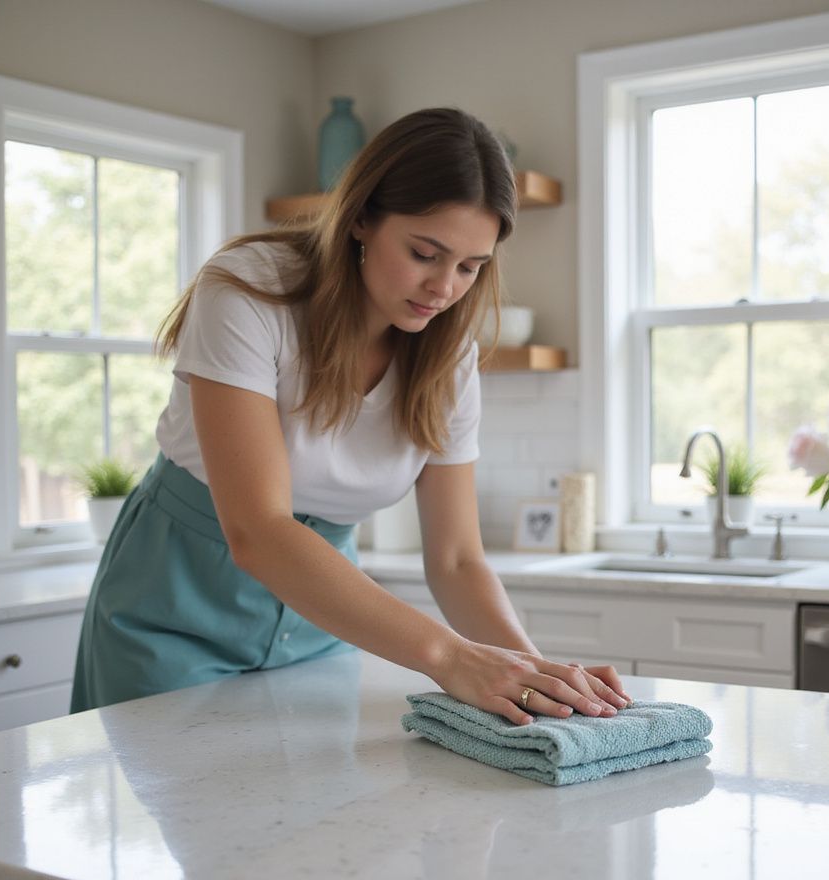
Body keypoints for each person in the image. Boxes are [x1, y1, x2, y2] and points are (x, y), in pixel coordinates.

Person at [71, 107, 630, 725]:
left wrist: (534, 678)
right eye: (425, 253)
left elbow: (456, 560)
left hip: (318, 620)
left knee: (320, 818)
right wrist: (448, 656)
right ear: (362, 217)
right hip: (172, 610)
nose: (445, 288)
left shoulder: (450, 356)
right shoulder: (248, 291)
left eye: (471, 267)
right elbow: (257, 530)